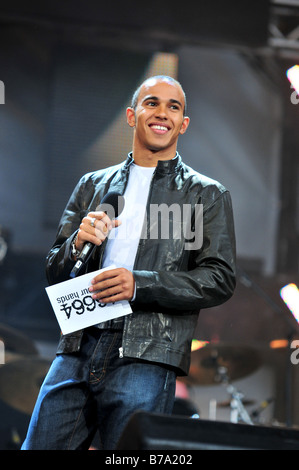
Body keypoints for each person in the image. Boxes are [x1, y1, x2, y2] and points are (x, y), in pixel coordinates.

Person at [22, 75, 236, 450]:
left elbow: (218, 277)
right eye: (152, 102)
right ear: (131, 115)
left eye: (174, 107)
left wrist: (140, 284)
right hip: (79, 342)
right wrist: (76, 245)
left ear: (183, 124)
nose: (162, 113)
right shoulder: (93, 185)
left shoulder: (204, 194)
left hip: (148, 353)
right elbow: (54, 269)